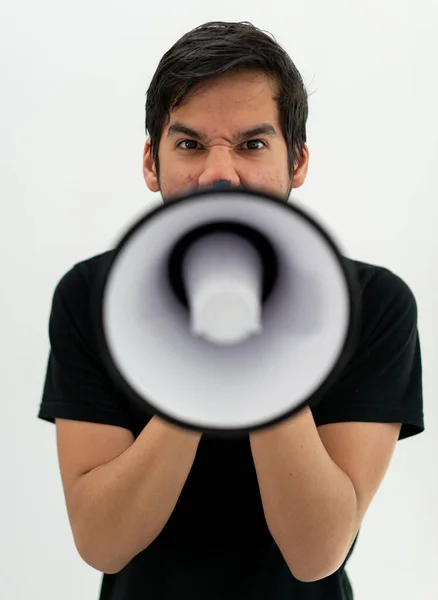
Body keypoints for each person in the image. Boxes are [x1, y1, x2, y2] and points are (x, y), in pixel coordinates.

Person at [37, 21, 424, 600]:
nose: (220, 175)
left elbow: (316, 554)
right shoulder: (89, 295)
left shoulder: (376, 305)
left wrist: (258, 343)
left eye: (252, 144)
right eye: (190, 144)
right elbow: (101, 541)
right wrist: (201, 357)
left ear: (297, 163)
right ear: (152, 162)